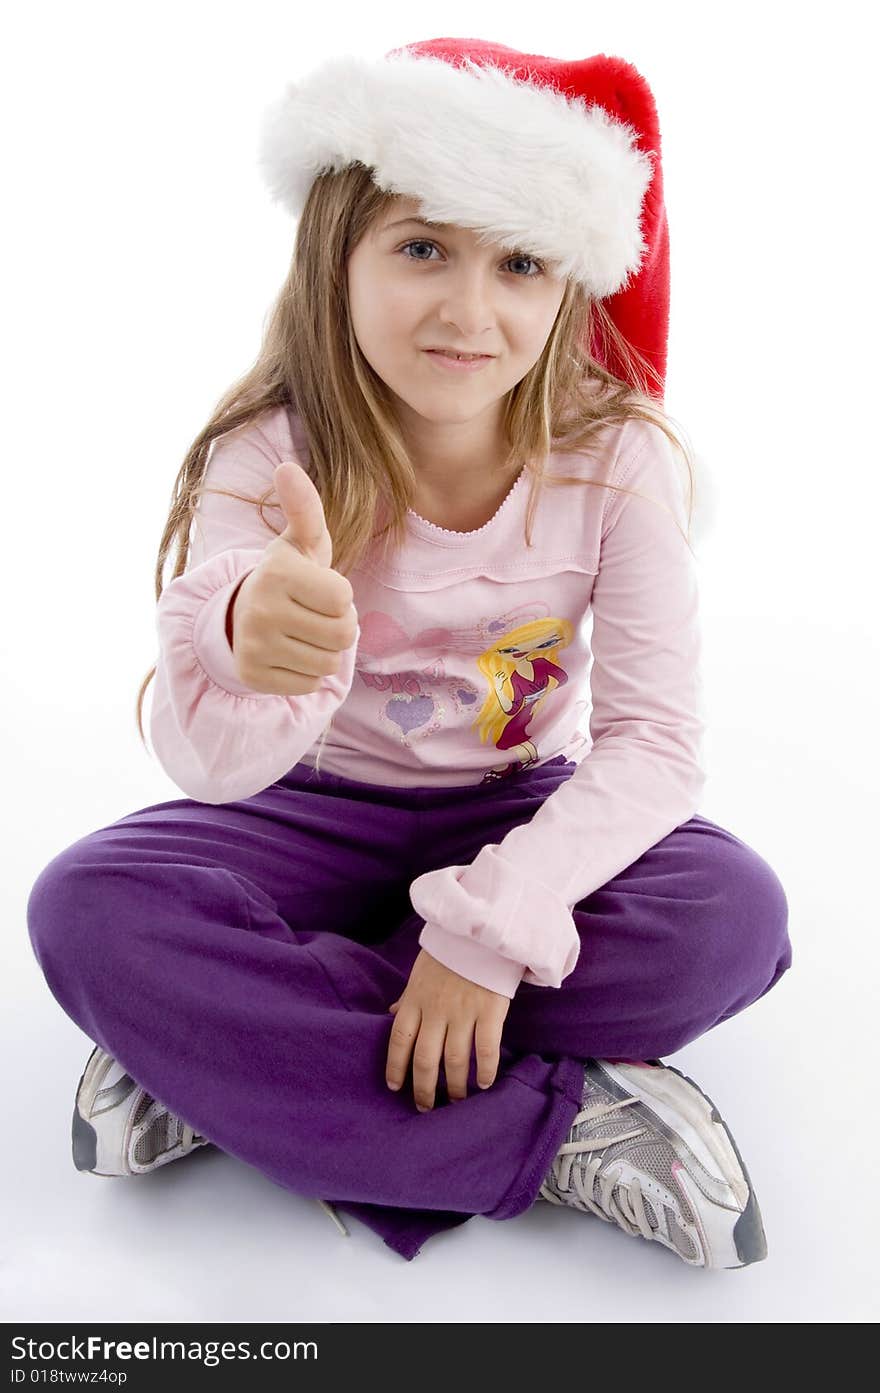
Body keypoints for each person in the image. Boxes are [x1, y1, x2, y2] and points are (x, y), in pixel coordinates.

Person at [26, 37, 792, 1269]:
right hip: (307, 814)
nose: (467, 310)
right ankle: (559, 1133)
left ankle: (228, 1057)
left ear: (567, 288)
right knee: (89, 908)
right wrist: (251, 648)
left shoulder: (620, 461)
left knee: (731, 918)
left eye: (520, 264)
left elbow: (651, 748)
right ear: (339, 256)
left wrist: (487, 934)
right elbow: (204, 764)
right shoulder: (262, 456)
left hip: (517, 809)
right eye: (422, 247)